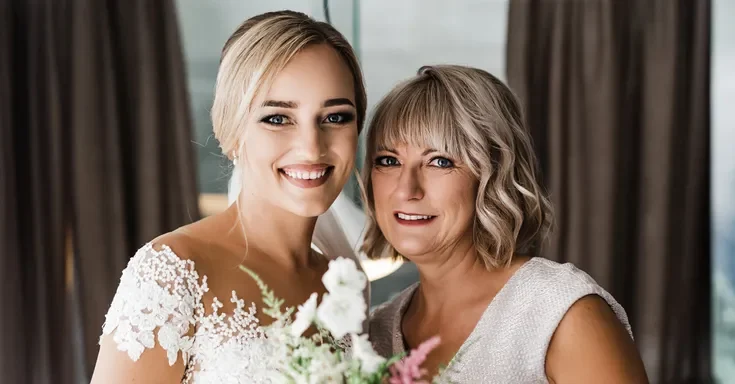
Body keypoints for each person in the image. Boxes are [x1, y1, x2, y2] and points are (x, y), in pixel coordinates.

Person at [91, 10, 368, 383]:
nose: (311, 147)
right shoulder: (173, 274)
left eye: (335, 117)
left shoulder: (343, 285)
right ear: (233, 133)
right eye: (277, 118)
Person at [366, 65, 649, 383]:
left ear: (493, 172)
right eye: (388, 161)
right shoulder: (373, 336)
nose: (407, 189)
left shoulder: (561, 314)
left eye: (440, 161)